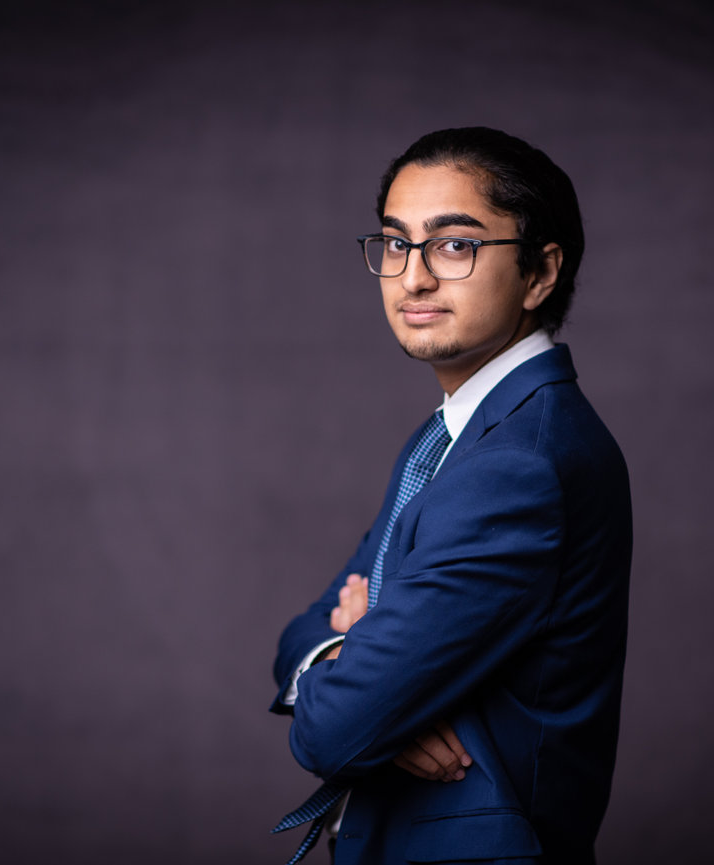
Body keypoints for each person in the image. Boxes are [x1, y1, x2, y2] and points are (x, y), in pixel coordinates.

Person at [270, 127, 632, 865]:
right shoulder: (454, 437)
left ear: (540, 273)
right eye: (395, 243)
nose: (412, 277)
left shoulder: (516, 463)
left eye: (455, 245)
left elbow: (333, 730)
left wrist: (372, 700)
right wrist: (351, 656)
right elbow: (301, 633)